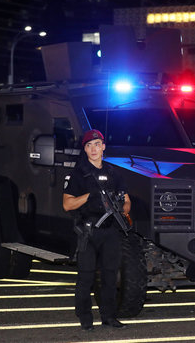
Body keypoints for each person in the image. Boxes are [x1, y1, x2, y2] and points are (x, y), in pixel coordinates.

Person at [63, 129, 131, 331]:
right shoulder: (78, 174)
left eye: (97, 144)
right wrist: (89, 196)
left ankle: (109, 317)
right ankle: (85, 318)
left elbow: (127, 201)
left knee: (110, 276)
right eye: (89, 145)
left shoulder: (113, 173)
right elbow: (67, 204)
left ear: (103, 147)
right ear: (85, 149)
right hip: (89, 231)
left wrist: (121, 208)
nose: (93, 149)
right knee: (86, 276)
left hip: (111, 231)